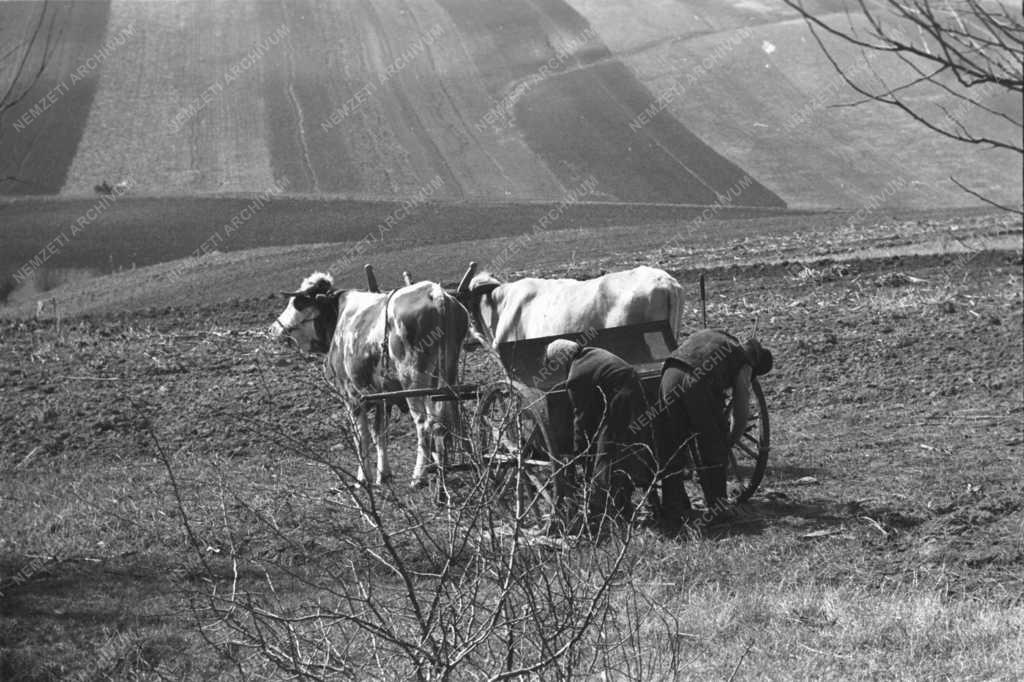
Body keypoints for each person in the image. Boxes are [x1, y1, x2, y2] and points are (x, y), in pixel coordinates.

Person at [654, 330, 773, 528]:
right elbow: (741, 410)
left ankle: (673, 511)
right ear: (755, 364)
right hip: (697, 383)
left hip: (669, 374)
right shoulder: (744, 362)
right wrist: (730, 439)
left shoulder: (718, 336)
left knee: (670, 446)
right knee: (713, 445)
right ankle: (717, 509)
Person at [544, 339, 655, 528]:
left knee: (605, 459)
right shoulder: (593, 352)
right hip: (634, 395)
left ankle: (601, 515)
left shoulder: (576, 375)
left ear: (562, 359)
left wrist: (580, 451)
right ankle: (625, 507)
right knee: (626, 453)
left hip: (620, 403)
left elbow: (581, 417)